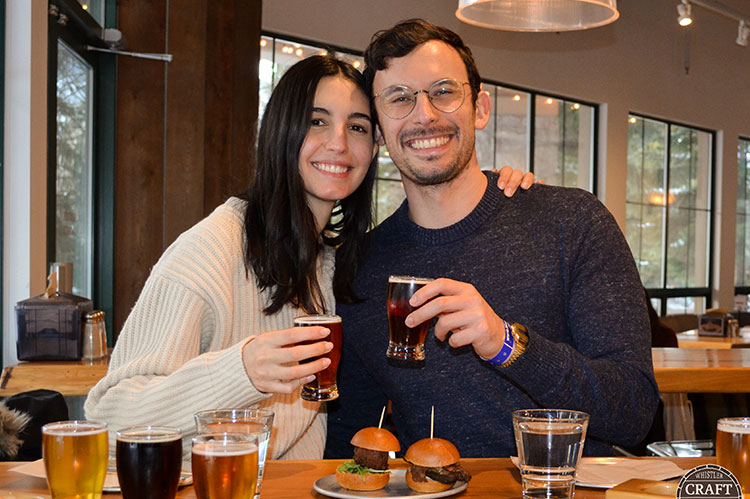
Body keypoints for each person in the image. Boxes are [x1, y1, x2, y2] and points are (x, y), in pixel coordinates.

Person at [84, 54, 533, 459]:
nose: (338, 143)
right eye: (317, 122)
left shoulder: (334, 262)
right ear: (282, 130)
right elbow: (107, 416)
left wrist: (482, 189)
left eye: (357, 126)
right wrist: (239, 370)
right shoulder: (212, 248)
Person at [325, 19, 660, 459]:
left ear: (479, 109)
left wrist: (506, 343)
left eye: (443, 92)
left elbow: (634, 412)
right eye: (399, 99)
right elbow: (353, 434)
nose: (424, 115)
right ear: (380, 130)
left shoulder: (572, 221)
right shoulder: (360, 266)